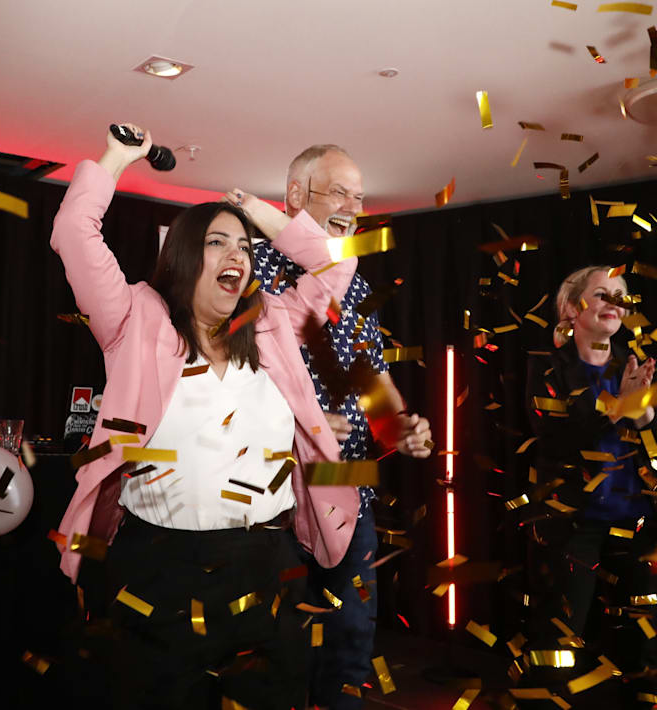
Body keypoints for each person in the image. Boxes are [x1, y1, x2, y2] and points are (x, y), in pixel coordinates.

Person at [50, 124, 360, 709]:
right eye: (218, 242)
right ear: (184, 255)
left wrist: (260, 215)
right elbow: (73, 232)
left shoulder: (271, 326)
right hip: (159, 566)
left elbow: (334, 269)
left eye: (244, 247)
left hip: (267, 564)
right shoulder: (134, 320)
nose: (237, 256)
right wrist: (116, 157)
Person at [252, 144, 431, 708]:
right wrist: (295, 421)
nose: (353, 207)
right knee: (275, 644)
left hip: (348, 483)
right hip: (273, 489)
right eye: (339, 192)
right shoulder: (249, 265)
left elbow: (370, 378)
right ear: (296, 194)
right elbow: (222, 373)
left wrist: (398, 427)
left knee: (349, 642)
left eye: (359, 196)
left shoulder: (355, 285)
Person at [524, 265, 657, 672]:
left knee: (640, 642)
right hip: (575, 523)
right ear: (573, 307)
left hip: (637, 522)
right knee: (559, 637)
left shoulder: (636, 366)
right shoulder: (547, 366)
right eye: (602, 294)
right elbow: (552, 437)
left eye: (620, 297)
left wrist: (641, 413)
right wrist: (615, 410)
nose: (614, 304)